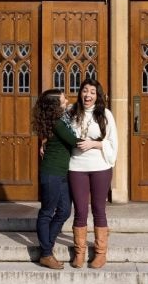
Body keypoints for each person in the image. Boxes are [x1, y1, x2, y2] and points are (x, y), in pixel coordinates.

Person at [68, 78, 118, 269]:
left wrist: (95, 144)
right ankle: (79, 253)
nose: (88, 95)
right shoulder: (71, 112)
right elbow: (59, 131)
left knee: (98, 209)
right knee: (80, 210)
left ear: (97, 96)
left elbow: (112, 141)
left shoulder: (105, 114)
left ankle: (100, 253)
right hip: (76, 167)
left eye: (92, 92)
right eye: (85, 91)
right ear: (80, 93)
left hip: (100, 167)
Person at [32, 89, 78, 270]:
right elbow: (75, 141)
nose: (67, 100)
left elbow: (76, 107)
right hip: (52, 173)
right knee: (46, 212)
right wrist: (99, 143)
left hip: (61, 173)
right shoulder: (58, 123)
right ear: (54, 106)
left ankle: (46, 246)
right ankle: (46, 253)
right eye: (63, 98)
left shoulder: (61, 118)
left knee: (65, 211)